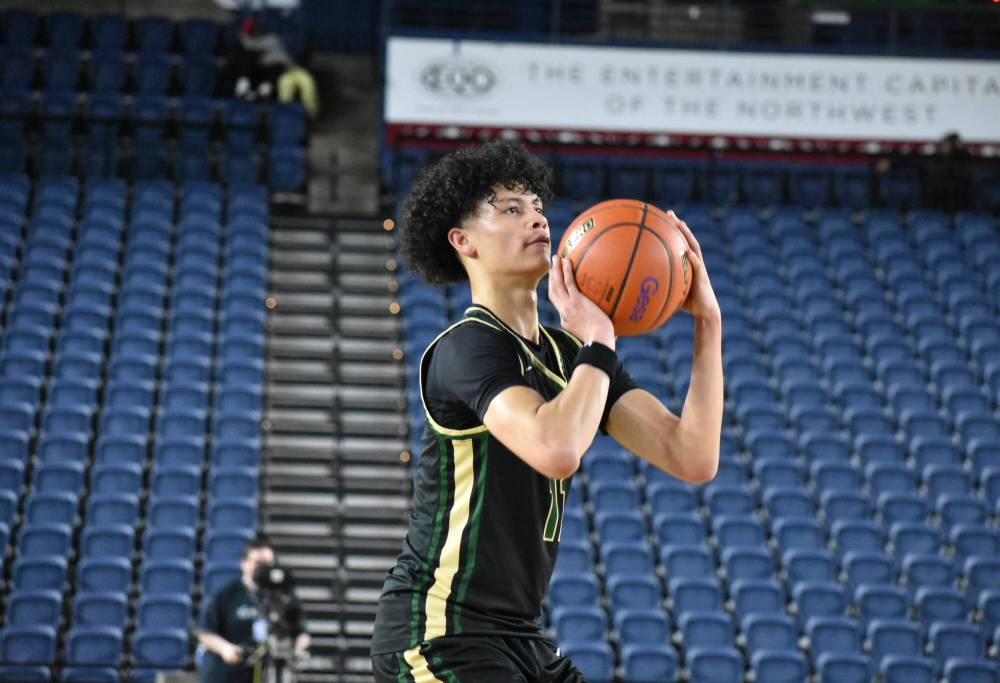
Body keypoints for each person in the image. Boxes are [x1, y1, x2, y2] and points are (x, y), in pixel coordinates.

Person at [371, 141, 722, 681]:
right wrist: (600, 343)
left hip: (521, 637)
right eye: (511, 209)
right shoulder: (467, 345)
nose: (536, 219)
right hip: (441, 632)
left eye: (537, 207)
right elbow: (555, 449)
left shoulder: (569, 355)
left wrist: (707, 326)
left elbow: (691, 456)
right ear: (463, 241)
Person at [196, 536, 311, 683]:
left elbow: (301, 631)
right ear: (244, 563)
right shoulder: (227, 594)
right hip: (226, 675)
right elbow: (204, 631)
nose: (263, 569)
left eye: (268, 564)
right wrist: (225, 649)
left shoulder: (285, 596)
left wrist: (298, 652)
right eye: (258, 563)